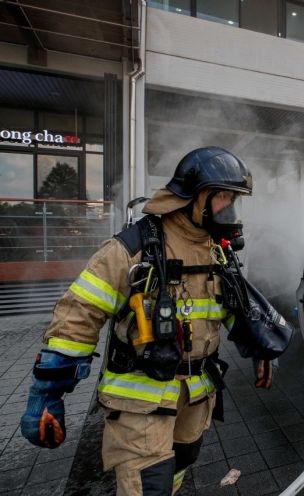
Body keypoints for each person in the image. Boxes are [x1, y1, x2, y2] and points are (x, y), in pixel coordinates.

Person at [20, 147, 279, 495]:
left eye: (233, 198)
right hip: (140, 403)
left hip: (196, 397)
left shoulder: (216, 249)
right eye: (221, 197)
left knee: (177, 470)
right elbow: (78, 316)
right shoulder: (133, 248)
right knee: (148, 486)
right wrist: (46, 394)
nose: (228, 207)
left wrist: (262, 348)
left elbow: (232, 306)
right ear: (193, 196)